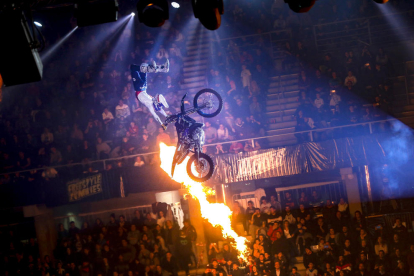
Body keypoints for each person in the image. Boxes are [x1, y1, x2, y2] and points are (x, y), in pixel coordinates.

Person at [130, 60, 170, 128]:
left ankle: (163, 68)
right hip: (139, 88)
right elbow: (156, 115)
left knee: (145, 67)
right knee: (133, 68)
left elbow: (159, 113)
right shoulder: (151, 106)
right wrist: (163, 122)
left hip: (144, 87)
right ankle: (160, 68)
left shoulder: (154, 104)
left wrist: (164, 120)